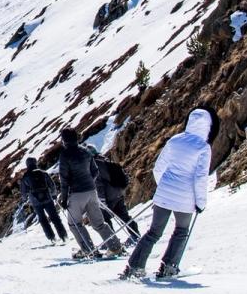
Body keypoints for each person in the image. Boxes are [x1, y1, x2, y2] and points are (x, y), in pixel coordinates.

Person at [121, 107, 215, 281]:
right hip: (186, 199)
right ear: (207, 126)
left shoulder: (175, 140)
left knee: (153, 232)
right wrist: (200, 202)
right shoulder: (203, 147)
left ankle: (135, 267)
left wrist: (163, 187)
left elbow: (159, 167)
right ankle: (169, 267)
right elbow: (200, 177)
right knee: (181, 231)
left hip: (164, 194)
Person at [57, 128, 120, 259]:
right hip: (91, 191)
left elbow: (64, 179)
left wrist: (63, 199)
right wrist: (89, 183)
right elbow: (95, 171)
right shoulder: (86, 151)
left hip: (76, 193)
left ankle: (88, 249)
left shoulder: (65, 155)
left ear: (64, 140)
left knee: (75, 224)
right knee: (99, 222)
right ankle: (115, 247)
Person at [92, 149, 138, 241]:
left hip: (108, 196)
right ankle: (135, 235)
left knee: (104, 219)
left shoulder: (94, 165)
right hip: (118, 193)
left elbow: (98, 184)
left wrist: (102, 200)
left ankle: (113, 242)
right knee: (124, 216)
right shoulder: (107, 160)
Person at [18, 157, 67, 243]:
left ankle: (51, 238)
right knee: (55, 217)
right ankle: (63, 236)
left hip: (36, 202)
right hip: (48, 198)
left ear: (27, 165)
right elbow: (51, 185)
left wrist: (25, 199)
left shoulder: (25, 177)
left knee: (43, 220)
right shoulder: (43, 173)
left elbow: (23, 192)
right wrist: (54, 195)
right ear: (35, 163)